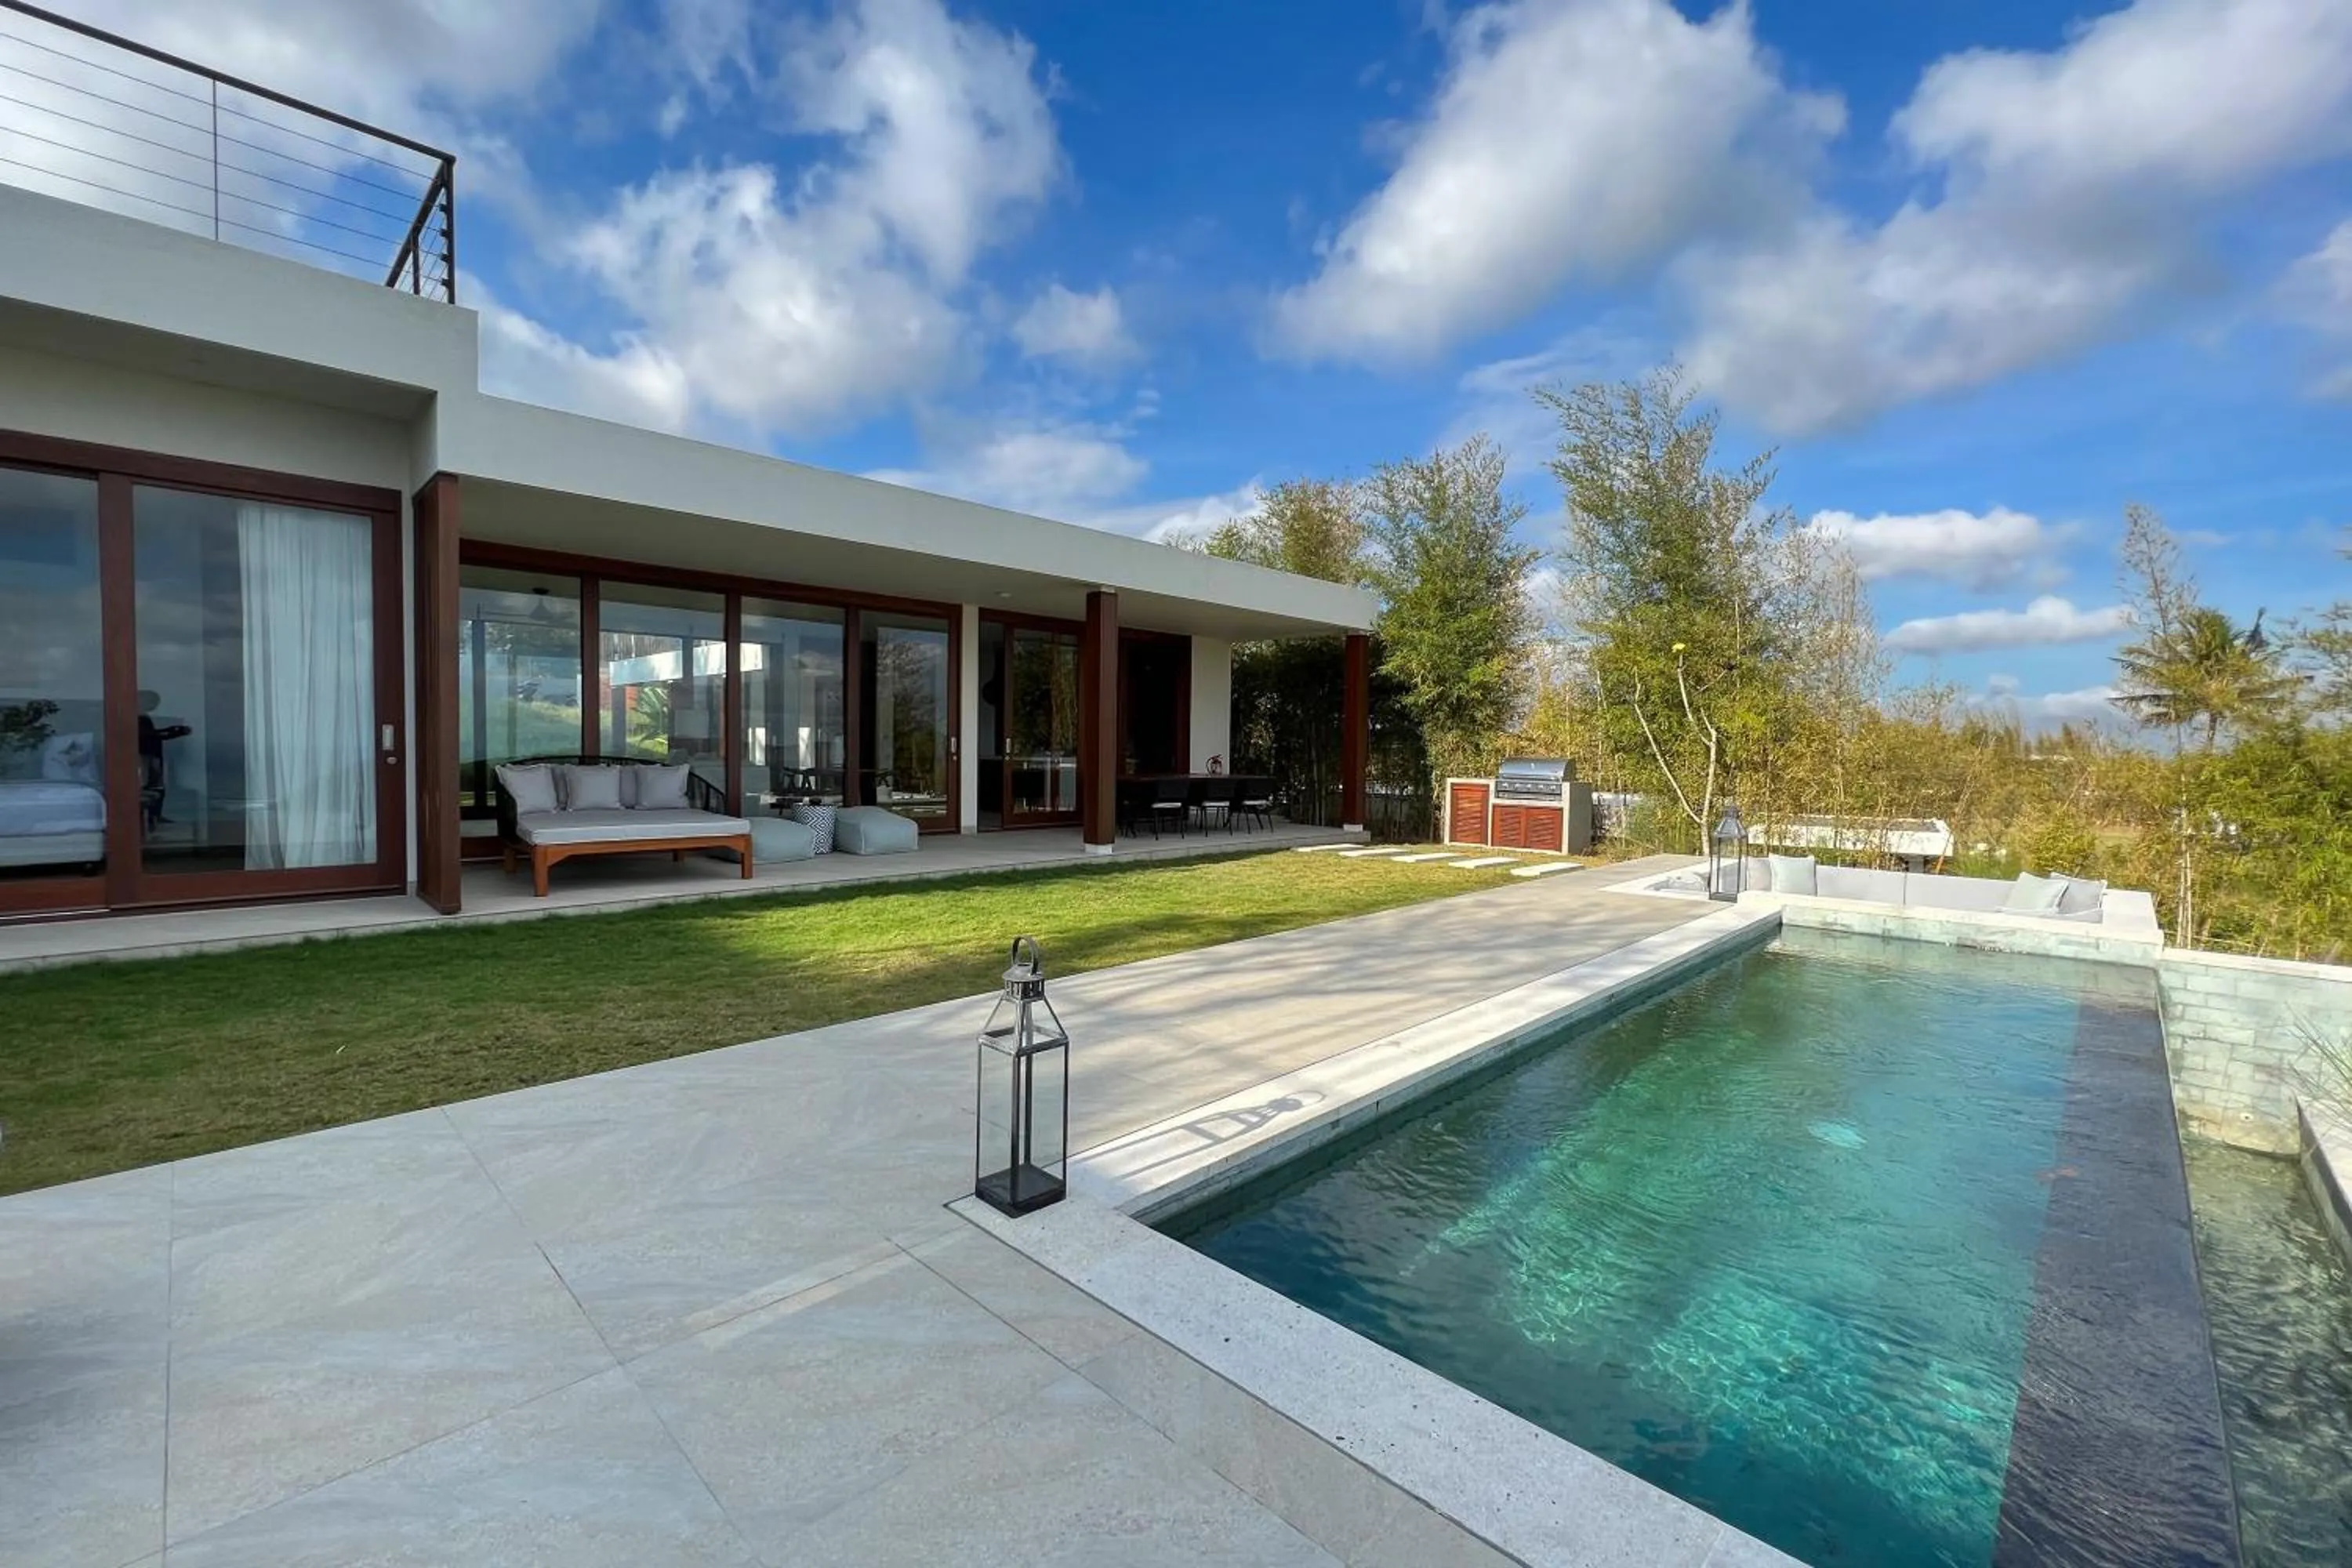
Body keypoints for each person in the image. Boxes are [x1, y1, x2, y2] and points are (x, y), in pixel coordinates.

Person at [136, 690, 190, 829]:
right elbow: (149, 736)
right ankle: (150, 819)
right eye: (152, 703)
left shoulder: (144, 717)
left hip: (152, 755)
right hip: (144, 757)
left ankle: (155, 816)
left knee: (158, 786)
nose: (154, 706)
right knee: (149, 787)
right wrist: (172, 732)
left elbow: (152, 735)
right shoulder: (138, 718)